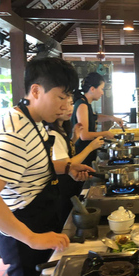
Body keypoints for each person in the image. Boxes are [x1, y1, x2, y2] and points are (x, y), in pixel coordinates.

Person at [0, 58, 95, 276]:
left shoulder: (34, 121)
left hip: (39, 220)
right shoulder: (14, 132)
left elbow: (35, 164)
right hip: (23, 232)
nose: (66, 105)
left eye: (69, 98)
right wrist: (31, 238)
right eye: (61, 97)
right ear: (36, 91)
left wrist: (67, 168)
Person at [45, 97, 105, 226]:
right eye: (63, 103)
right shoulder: (53, 134)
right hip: (62, 188)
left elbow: (64, 153)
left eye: (71, 103)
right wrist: (90, 147)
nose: (69, 108)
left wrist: (74, 137)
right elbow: (68, 164)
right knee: (65, 221)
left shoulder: (60, 131)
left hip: (68, 185)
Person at [72, 72, 124, 165]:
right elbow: (84, 135)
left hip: (86, 153)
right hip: (81, 154)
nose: (102, 92)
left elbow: (95, 117)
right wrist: (105, 134)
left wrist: (112, 118)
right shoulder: (82, 105)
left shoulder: (85, 103)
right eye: (101, 89)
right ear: (92, 89)